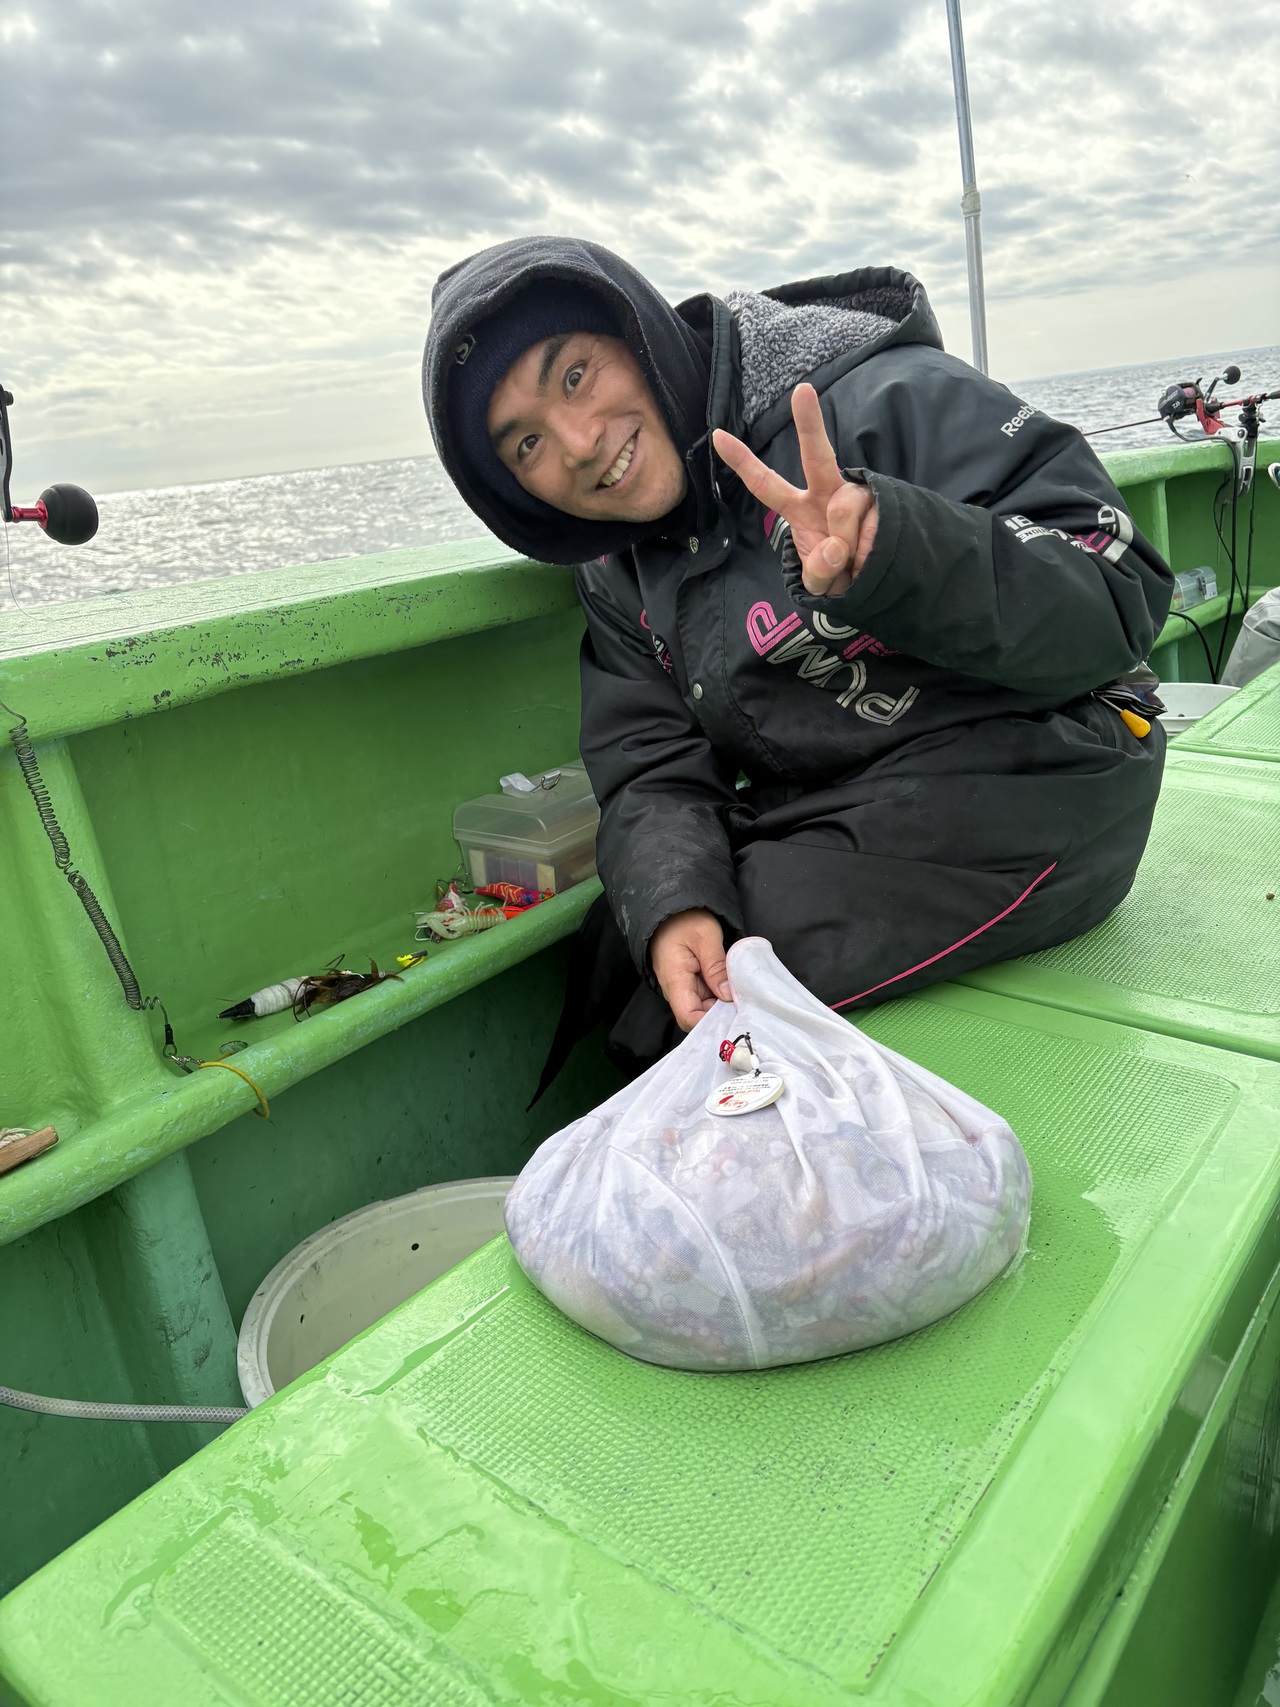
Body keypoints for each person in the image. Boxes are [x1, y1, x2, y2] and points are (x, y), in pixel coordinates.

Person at [422, 236, 1172, 1077]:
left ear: (640, 334)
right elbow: (651, 765)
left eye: (574, 375)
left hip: (1056, 757)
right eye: (525, 445)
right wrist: (675, 903)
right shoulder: (613, 566)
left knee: (727, 975)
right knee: (634, 941)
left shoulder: (879, 395)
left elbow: (1121, 588)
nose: (578, 442)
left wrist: (898, 549)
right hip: (850, 798)